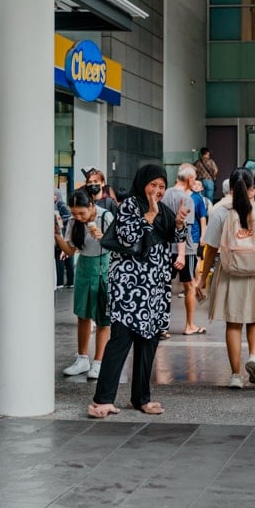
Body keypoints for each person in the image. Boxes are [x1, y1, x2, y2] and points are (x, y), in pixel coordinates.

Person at [88, 164, 188, 419]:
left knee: (150, 340)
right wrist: (150, 215)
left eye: (162, 186)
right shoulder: (130, 205)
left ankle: (141, 398)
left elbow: (175, 238)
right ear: (142, 183)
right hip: (129, 286)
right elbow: (126, 239)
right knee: (121, 339)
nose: (157, 190)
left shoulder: (164, 209)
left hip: (154, 285)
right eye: (153, 185)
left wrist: (177, 223)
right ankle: (102, 400)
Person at [198, 168, 255, 390]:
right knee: (254, 319)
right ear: (253, 188)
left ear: (230, 189)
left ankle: (234, 375)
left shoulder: (220, 212)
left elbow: (210, 249)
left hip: (230, 271)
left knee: (233, 323)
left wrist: (202, 278)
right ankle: (253, 356)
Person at [57, 188, 112, 380]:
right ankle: (82, 359)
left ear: (91, 205)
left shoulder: (105, 217)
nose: (78, 217)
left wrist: (103, 237)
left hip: (104, 267)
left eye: (81, 212)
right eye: (73, 213)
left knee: (103, 317)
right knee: (82, 314)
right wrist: (56, 236)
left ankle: (99, 361)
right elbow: (70, 251)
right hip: (83, 268)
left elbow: (120, 243)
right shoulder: (73, 222)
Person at [162, 163, 205, 335]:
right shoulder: (188, 199)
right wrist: (181, 253)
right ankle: (189, 325)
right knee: (189, 286)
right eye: (194, 178)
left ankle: (162, 326)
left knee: (164, 286)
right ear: (189, 179)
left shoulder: (164, 195)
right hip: (184, 250)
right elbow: (183, 228)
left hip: (166, 248)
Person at [54, 190, 74, 289]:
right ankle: (69, 281)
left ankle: (61, 282)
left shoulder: (60, 205)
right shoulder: (58, 204)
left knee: (61, 258)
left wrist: (59, 221)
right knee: (66, 258)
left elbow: (67, 217)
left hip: (63, 235)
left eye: (53, 195)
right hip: (64, 234)